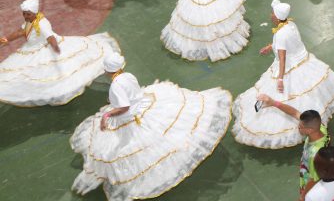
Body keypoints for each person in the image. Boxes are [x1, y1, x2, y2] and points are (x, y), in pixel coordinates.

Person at [70, 52, 232, 199]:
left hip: (129, 116)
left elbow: (124, 107)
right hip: (144, 105)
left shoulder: (116, 85)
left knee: (133, 146)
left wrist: (108, 114)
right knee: (163, 133)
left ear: (108, 71)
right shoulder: (127, 76)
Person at [232, 0, 334, 148]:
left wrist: (280, 78)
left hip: (290, 67)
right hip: (303, 61)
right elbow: (290, 42)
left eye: (272, 13)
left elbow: (283, 58)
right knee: (312, 92)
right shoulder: (290, 24)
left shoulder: (280, 34)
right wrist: (271, 46)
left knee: (288, 95)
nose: (270, 15)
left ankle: (305, 123)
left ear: (277, 17)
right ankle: (315, 119)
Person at [0, 0, 120, 106]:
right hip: (32, 49)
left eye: (28, 14)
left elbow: (50, 36)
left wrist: (55, 47)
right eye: (24, 14)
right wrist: (5, 39)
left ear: (34, 13)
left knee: (54, 71)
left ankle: (52, 91)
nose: (25, 16)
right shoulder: (30, 21)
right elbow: (21, 31)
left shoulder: (42, 24)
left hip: (46, 49)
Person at [253, 97, 329, 199]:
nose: (298, 127)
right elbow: (294, 113)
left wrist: (303, 197)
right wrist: (273, 102)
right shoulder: (321, 128)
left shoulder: (314, 154)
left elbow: (314, 179)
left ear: (310, 130)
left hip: (311, 187)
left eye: (300, 126)